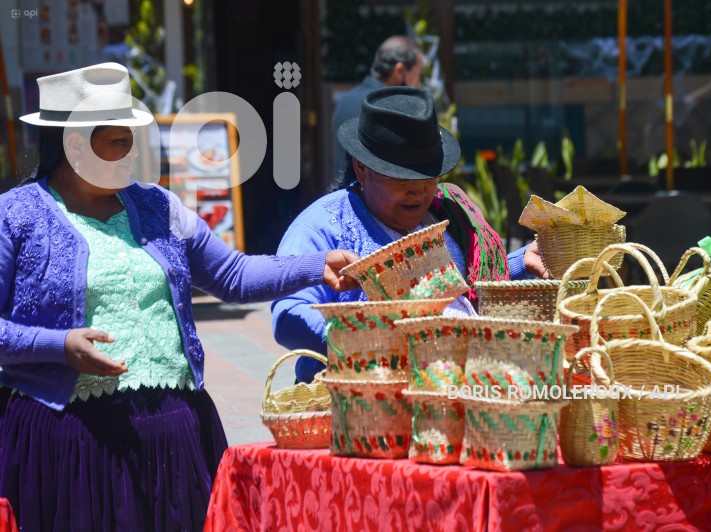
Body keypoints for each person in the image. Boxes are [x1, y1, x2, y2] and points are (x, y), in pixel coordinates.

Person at [0, 63, 358, 530]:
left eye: (133, 140)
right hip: (72, 440)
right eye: (119, 142)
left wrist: (315, 266)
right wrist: (58, 346)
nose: (132, 155)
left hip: (174, 433)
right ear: (74, 145)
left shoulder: (158, 207)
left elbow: (233, 275)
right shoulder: (16, 217)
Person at [273, 86, 549, 384]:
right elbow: (288, 315)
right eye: (402, 177)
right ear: (362, 169)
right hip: (361, 405)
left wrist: (521, 262)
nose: (418, 190)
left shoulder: (445, 212)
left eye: (428, 175)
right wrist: (366, 342)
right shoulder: (321, 226)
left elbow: (465, 288)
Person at [331, 35, 423, 178]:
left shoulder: (345, 101)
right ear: (400, 71)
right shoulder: (392, 110)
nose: (418, 84)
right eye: (418, 75)